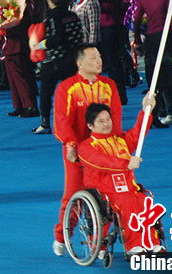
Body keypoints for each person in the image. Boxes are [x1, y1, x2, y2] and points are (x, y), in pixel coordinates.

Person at [51, 43, 123, 256]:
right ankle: (62, 236)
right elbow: (62, 121)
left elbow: (115, 118)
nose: (99, 61)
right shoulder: (67, 88)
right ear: (80, 63)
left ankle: (99, 242)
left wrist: (117, 145)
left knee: (105, 198)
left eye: (99, 57)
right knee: (74, 195)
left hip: (103, 151)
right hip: (77, 150)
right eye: (93, 58)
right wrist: (71, 145)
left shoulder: (109, 85)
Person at [78, 96, 164, 255]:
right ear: (90, 125)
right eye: (101, 121)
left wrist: (146, 110)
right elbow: (101, 162)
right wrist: (126, 164)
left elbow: (137, 134)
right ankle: (133, 245)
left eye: (108, 119)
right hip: (106, 194)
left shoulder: (120, 141)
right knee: (128, 203)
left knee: (144, 201)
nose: (106, 124)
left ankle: (152, 242)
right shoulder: (86, 147)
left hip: (128, 190)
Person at [31, 0, 84, 134]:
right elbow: (79, 36)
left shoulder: (53, 17)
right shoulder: (73, 15)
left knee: (46, 93)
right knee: (73, 93)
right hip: (73, 59)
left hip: (54, 60)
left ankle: (45, 123)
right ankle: (77, 121)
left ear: (51, 0)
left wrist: (39, 45)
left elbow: (57, 38)